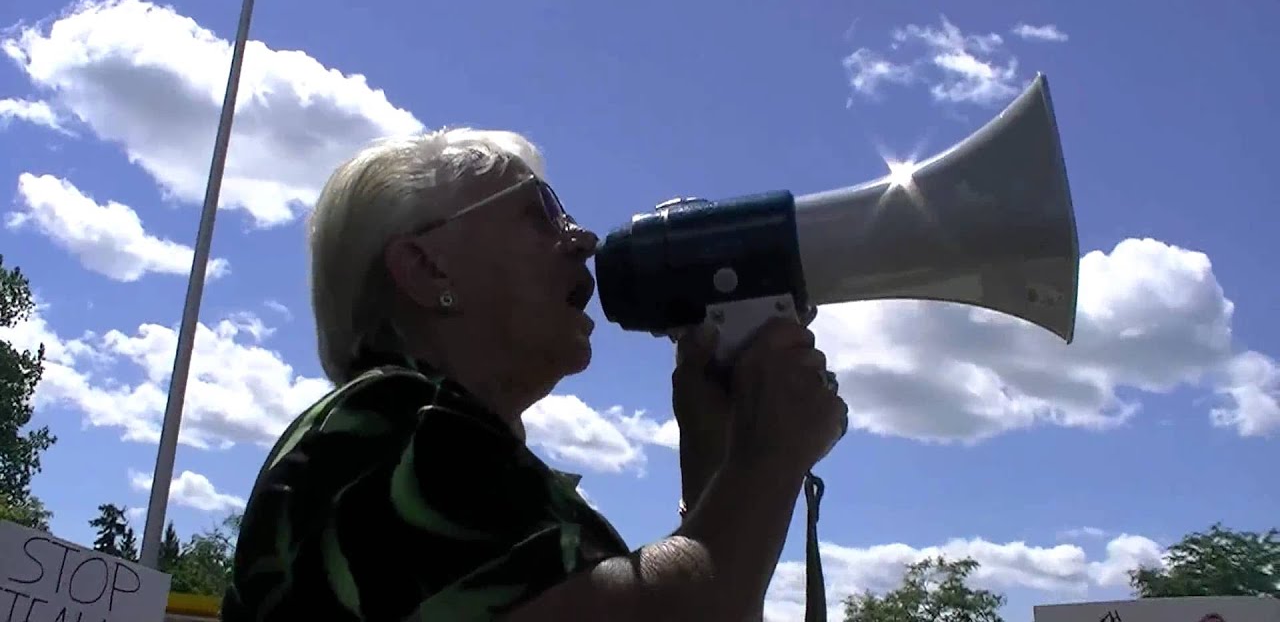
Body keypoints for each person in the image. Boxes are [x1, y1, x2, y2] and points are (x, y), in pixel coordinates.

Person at [221, 127, 849, 622]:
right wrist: (768, 458)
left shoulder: (446, 458)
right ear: (427, 268)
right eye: (541, 214)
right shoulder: (384, 427)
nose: (583, 239)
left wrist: (716, 453)